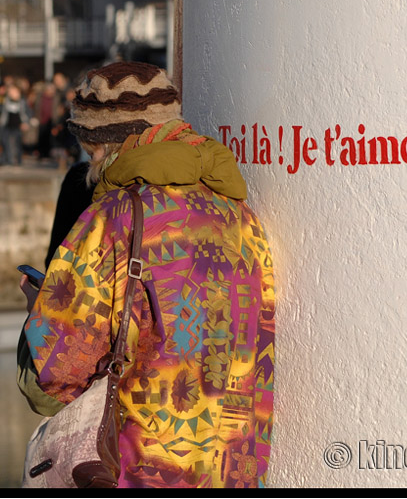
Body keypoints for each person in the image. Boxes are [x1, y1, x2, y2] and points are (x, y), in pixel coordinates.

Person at [17, 61, 276, 488]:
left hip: (138, 470)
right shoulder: (241, 218)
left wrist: (38, 315)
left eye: (89, 148)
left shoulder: (114, 219)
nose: (89, 163)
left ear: (107, 144)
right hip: (228, 469)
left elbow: (52, 382)